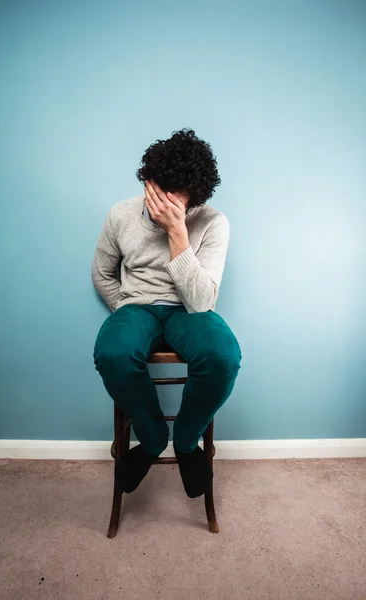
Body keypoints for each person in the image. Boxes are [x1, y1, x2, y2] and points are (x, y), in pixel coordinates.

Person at [92, 129, 242, 498]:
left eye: (183, 200)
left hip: (189, 310)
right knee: (112, 351)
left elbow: (202, 301)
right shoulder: (120, 215)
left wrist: (178, 232)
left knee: (223, 356)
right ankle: (154, 436)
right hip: (137, 307)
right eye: (165, 193)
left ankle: (188, 443)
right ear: (149, 182)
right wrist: (126, 307)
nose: (173, 204)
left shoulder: (212, 222)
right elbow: (102, 273)